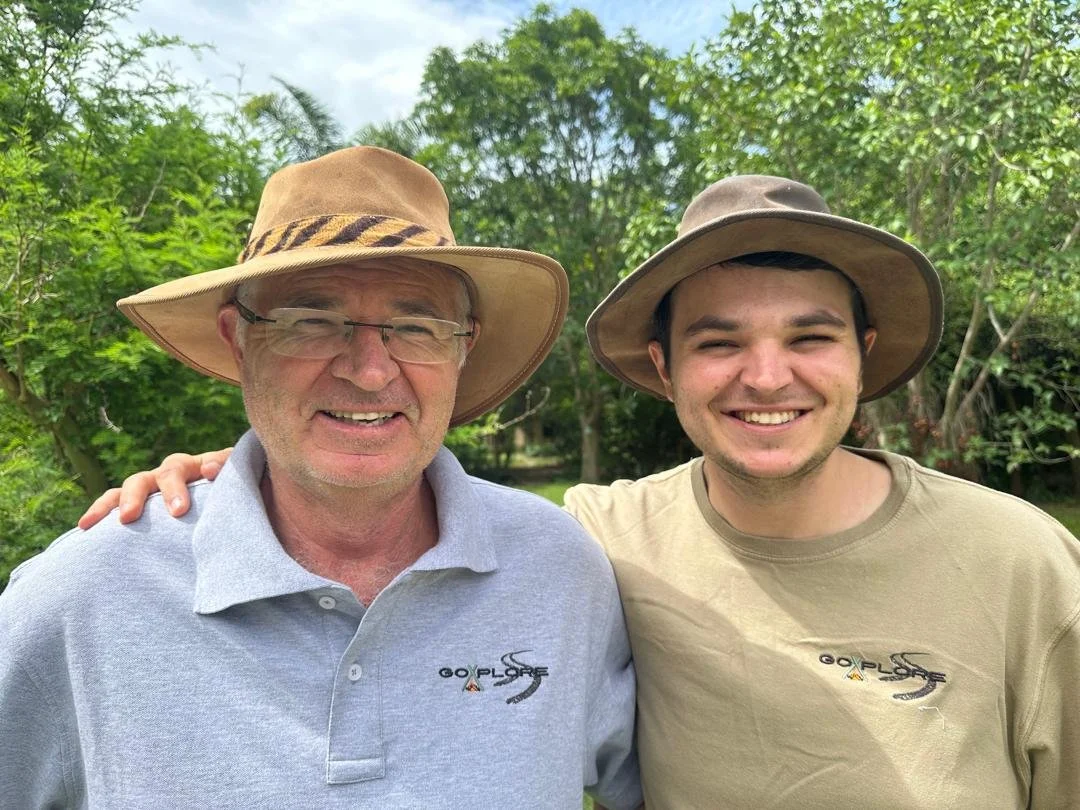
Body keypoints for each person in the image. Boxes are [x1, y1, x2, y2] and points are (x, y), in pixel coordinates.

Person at [80, 175, 1080, 807]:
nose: (766, 378)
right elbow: (371, 471)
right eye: (718, 342)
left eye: (809, 337)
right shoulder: (597, 541)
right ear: (663, 364)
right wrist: (240, 478)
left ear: (864, 352)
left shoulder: (1022, 561)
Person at [0, 146, 642, 809]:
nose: (368, 370)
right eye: (311, 322)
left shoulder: (562, 574)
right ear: (237, 338)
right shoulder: (83, 598)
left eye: (416, 326)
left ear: (462, 348)